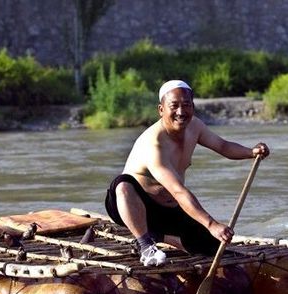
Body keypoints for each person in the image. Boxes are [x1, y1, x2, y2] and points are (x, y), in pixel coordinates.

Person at [105, 80, 270, 266]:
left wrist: (251, 152)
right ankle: (145, 244)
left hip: (168, 210)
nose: (181, 112)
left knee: (211, 247)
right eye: (174, 106)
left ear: (193, 106)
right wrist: (211, 224)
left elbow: (223, 146)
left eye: (186, 105)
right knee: (123, 184)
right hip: (133, 206)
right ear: (161, 109)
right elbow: (177, 190)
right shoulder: (153, 144)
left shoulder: (195, 127)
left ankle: (158, 235)